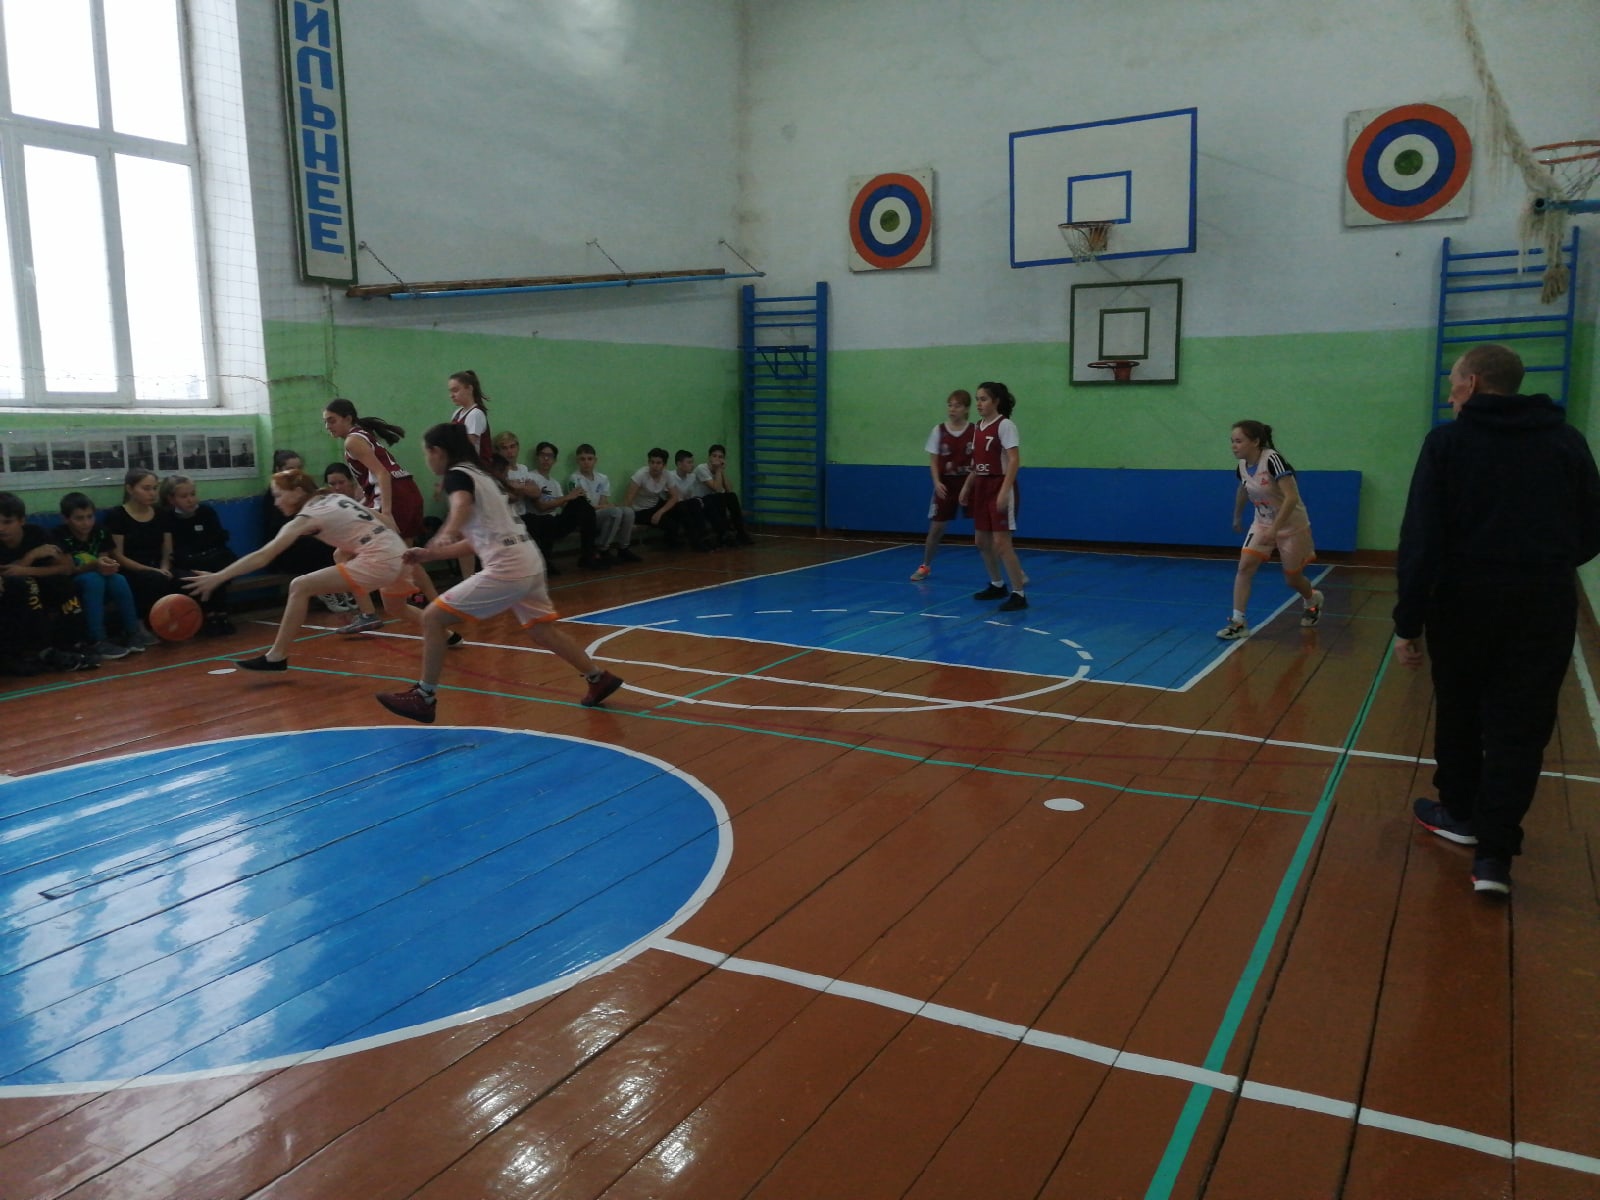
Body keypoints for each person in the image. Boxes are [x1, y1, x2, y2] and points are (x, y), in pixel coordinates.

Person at [1394, 344, 1600, 897]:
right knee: (1521, 727)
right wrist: (1542, 565)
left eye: (1454, 383)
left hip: (1464, 602)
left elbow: (1421, 540)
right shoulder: (1566, 441)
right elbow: (1591, 530)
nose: (1450, 395)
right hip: (1543, 603)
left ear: (1475, 383)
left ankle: (1460, 813)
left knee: (1460, 711)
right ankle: (1494, 858)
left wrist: (1408, 622)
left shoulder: (1447, 443)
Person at [375, 423, 624, 723]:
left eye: (426, 453)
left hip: (508, 566)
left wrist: (447, 531)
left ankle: (424, 697)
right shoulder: (482, 476)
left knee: (432, 617)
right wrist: (431, 554)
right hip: (528, 560)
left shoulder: (457, 476)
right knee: (541, 630)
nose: (427, 459)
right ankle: (598, 678)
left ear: (437, 452)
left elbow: (461, 505)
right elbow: (478, 540)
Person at [185, 467, 420, 671]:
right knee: (397, 608)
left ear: (298, 492)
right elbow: (385, 521)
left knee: (300, 585)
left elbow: (264, 556)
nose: (276, 502)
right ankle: (440, 630)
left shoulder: (306, 517)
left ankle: (276, 657)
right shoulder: (335, 497)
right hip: (397, 551)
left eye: (279, 495)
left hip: (379, 559)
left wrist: (219, 577)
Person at [322, 397, 443, 627]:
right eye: (326, 421)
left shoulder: (352, 441)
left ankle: (368, 614)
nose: (328, 426)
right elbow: (375, 477)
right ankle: (437, 604)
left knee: (342, 554)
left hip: (394, 497)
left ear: (348, 418)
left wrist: (386, 512)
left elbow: (382, 474)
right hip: (407, 491)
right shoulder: (362, 434)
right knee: (407, 557)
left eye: (332, 420)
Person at [1215, 421, 1323, 640]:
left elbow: (1291, 498)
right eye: (1232, 441)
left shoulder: (1273, 460)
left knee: (1292, 579)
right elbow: (1243, 489)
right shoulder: (1242, 466)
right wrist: (1237, 516)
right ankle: (1238, 622)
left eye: (1239, 441)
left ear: (1255, 442)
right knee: (1244, 567)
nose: (1234, 446)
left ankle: (1312, 599)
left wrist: (1275, 528)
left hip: (1291, 525)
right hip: (1262, 523)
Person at [0, 493, 97, 674]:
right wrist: (31, 556)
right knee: (23, 584)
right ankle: (40, 651)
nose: (1, 528)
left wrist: (26, 570)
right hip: (16, 591)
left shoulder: (37, 533)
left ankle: (74, 642)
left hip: (39, 584)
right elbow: (8, 574)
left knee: (61, 582)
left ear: (21, 520)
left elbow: (67, 568)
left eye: (7, 522)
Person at [54, 492, 154, 657]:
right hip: (73, 580)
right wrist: (96, 565)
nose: (86, 523)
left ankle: (132, 632)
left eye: (90, 517)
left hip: (98, 575)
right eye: (79, 518)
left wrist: (108, 565)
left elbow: (103, 558)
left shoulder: (100, 531)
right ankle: (97, 640)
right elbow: (69, 569)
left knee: (118, 579)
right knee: (94, 580)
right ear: (65, 518)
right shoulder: (59, 535)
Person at [959, 381, 1028, 611]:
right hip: (981, 485)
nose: (979, 403)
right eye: (977, 399)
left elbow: (1014, 460)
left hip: (1000, 483)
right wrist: (967, 487)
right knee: (981, 541)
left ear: (996, 401)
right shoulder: (978, 427)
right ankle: (997, 584)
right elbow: (977, 462)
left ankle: (1019, 593)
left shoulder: (1005, 425)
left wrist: (1004, 491)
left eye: (984, 399)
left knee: (1001, 543)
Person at [263, 450, 346, 610]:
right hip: (287, 548)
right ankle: (327, 590)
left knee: (335, 543)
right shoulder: (275, 496)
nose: (297, 472)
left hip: (307, 538)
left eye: (299, 467)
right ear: (279, 470)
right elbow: (278, 530)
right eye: (290, 468)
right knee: (318, 546)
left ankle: (339, 588)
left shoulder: (307, 487)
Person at [160, 474, 237, 636]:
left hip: (212, 558)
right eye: (184, 496)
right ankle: (208, 614)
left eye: (193, 494)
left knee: (217, 571)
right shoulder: (167, 518)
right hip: (188, 562)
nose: (190, 500)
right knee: (195, 576)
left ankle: (221, 613)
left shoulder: (206, 512)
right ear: (171, 499)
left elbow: (218, 539)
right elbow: (174, 550)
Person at [911, 390, 974, 581]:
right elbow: (933, 460)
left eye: (957, 405)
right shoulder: (938, 430)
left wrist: (969, 485)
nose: (952, 409)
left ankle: (1011, 569)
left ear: (966, 409)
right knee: (936, 528)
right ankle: (925, 565)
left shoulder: (975, 431)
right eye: (950, 405)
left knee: (987, 529)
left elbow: (979, 459)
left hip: (970, 482)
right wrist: (937, 482)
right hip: (946, 483)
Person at [103, 468, 182, 618]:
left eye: (154, 488)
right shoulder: (117, 515)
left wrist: (164, 568)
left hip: (158, 566)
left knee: (188, 578)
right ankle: (144, 623)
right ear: (130, 489)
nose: (152, 493)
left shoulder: (161, 514)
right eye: (146, 488)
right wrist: (151, 570)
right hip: (132, 569)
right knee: (154, 580)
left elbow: (167, 550)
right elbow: (118, 556)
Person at [527, 441, 609, 571]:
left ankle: (588, 555)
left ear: (554, 460)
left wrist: (576, 501)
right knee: (551, 518)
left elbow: (565, 505)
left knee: (581, 504)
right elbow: (541, 507)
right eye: (543, 455)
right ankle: (588, 555)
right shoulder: (530, 477)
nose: (546, 459)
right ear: (537, 457)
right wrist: (568, 497)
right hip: (538, 521)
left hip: (554, 521)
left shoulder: (555, 483)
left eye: (550, 456)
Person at [571, 443, 640, 563]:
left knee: (628, 511)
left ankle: (623, 548)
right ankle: (602, 549)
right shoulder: (574, 479)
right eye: (582, 459)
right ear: (577, 461)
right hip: (584, 516)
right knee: (615, 511)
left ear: (595, 460)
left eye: (589, 459)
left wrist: (606, 506)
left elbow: (603, 502)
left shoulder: (603, 478)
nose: (586, 462)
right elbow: (584, 507)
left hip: (598, 512)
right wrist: (607, 507)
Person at [624, 447, 696, 547]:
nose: (654, 466)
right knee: (671, 525)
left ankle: (695, 540)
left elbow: (675, 497)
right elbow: (629, 498)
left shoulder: (666, 474)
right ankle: (671, 542)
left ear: (664, 465)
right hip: (641, 510)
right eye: (652, 462)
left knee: (682, 507)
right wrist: (627, 519)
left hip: (656, 506)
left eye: (658, 463)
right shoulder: (641, 475)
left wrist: (660, 512)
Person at [694, 443, 754, 547]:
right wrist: (718, 470)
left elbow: (729, 489)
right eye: (714, 456)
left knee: (731, 496)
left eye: (720, 457)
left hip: (715, 500)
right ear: (709, 457)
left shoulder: (719, 470)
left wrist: (721, 471)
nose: (717, 459)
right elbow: (717, 489)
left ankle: (740, 532)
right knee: (718, 497)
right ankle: (723, 534)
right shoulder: (701, 468)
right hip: (701, 501)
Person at [447, 369, 496, 468]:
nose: (451, 395)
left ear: (469, 389)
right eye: (450, 391)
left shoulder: (475, 414)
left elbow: (466, 448)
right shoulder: (457, 413)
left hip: (477, 470)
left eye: (455, 390)